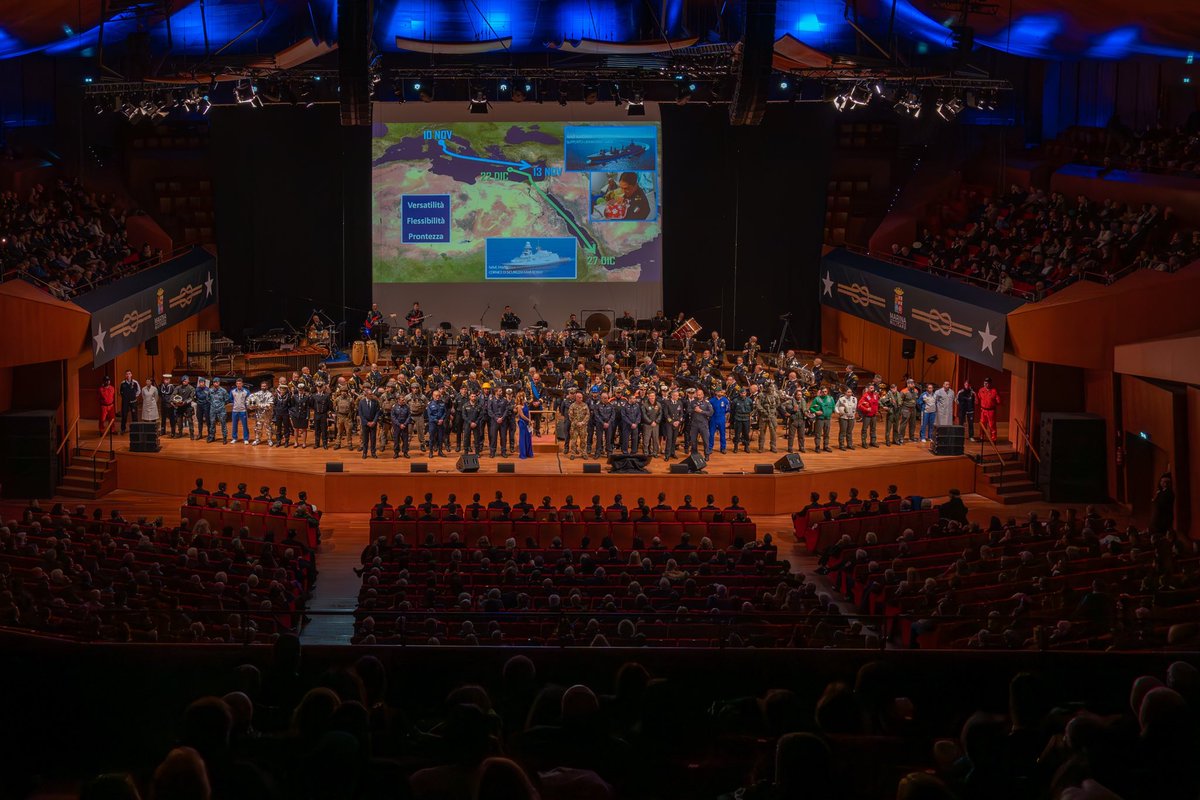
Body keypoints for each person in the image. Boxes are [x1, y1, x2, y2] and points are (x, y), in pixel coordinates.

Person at [687, 389, 713, 457]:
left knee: (705, 440)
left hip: (703, 424)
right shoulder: (693, 402)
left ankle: (707, 454)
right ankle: (694, 454)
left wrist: (701, 411)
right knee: (693, 441)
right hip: (694, 424)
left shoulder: (707, 402)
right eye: (697, 394)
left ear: (703, 395)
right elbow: (688, 410)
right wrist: (694, 410)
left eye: (700, 395)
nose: (698, 396)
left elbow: (711, 413)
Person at [809, 387, 834, 453]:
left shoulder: (830, 398)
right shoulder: (817, 399)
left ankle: (826, 446)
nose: (824, 393)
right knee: (818, 434)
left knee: (827, 434)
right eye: (823, 391)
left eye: (825, 391)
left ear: (827, 392)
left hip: (828, 419)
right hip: (820, 419)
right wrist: (816, 411)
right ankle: (817, 447)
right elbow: (811, 408)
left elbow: (833, 407)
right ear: (820, 392)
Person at [640, 390, 663, 457]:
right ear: (648, 396)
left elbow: (660, 414)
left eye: (653, 396)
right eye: (651, 396)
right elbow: (644, 415)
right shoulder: (644, 405)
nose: (652, 397)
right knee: (646, 440)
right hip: (647, 425)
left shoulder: (658, 404)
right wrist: (650, 422)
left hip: (656, 425)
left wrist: (656, 421)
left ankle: (655, 452)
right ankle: (646, 452)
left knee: (655, 439)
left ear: (655, 396)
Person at [567, 392, 590, 460]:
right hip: (575, 427)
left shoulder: (585, 405)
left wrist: (583, 422)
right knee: (573, 441)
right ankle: (573, 453)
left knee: (583, 440)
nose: (581, 399)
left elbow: (587, 415)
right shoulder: (572, 406)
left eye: (581, 397)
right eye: (579, 397)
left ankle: (583, 453)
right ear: (576, 398)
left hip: (583, 426)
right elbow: (571, 416)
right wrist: (577, 423)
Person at [977, 377, 1001, 441]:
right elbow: (979, 397)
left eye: (987, 383)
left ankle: (993, 439)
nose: (985, 384)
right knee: (982, 424)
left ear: (990, 384)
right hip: (983, 410)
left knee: (992, 425)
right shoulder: (981, 390)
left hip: (991, 411)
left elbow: (998, 401)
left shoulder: (994, 391)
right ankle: (981, 437)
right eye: (984, 383)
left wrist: (995, 402)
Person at [358, 390, 380, 458]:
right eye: (370, 394)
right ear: (366, 395)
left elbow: (377, 412)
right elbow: (360, 414)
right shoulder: (361, 402)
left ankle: (373, 453)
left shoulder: (375, 402)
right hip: (365, 424)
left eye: (372, 394)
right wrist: (366, 422)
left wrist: (374, 421)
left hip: (373, 423)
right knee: (365, 439)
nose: (371, 395)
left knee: (373, 439)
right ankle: (365, 453)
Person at [229, 378, 250, 445]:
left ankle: (246, 439)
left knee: (245, 425)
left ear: (242, 384)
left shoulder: (246, 391)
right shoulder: (232, 391)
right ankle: (234, 438)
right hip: (235, 411)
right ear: (236, 384)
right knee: (234, 425)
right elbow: (231, 399)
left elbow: (248, 400)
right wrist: (236, 404)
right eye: (237, 383)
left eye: (240, 383)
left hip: (243, 410)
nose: (238, 385)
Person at [427, 388, 448, 457]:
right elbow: (429, 415)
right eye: (436, 396)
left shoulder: (442, 403)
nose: (438, 397)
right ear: (433, 396)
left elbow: (445, 412)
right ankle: (431, 452)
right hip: (433, 423)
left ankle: (440, 451)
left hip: (440, 423)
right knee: (431, 438)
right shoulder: (430, 404)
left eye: (439, 395)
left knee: (440, 438)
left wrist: (441, 419)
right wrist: (437, 420)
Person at [708, 388, 730, 455]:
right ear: (716, 392)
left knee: (722, 434)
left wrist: (726, 421)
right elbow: (709, 410)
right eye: (719, 392)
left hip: (721, 419)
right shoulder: (711, 401)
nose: (720, 393)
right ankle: (710, 448)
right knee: (711, 434)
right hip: (713, 419)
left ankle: (723, 448)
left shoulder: (726, 400)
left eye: (721, 392)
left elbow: (728, 411)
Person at [858, 384, 880, 448]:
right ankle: (864, 442)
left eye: (873, 388)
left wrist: (876, 411)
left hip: (874, 415)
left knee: (873, 429)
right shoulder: (865, 396)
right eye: (871, 388)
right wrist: (866, 409)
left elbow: (876, 404)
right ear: (868, 389)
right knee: (864, 429)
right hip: (867, 415)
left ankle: (873, 442)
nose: (872, 389)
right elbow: (859, 405)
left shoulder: (875, 395)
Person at [207, 378, 229, 444]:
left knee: (223, 423)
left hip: (221, 409)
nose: (215, 383)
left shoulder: (223, 391)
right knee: (212, 424)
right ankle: (212, 437)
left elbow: (227, 400)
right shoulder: (210, 390)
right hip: (213, 409)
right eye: (214, 382)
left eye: (217, 382)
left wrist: (221, 405)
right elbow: (208, 399)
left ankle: (224, 438)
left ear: (219, 383)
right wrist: (213, 404)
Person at [516, 391, 533, 459]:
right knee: (523, 438)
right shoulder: (519, 406)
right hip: (522, 423)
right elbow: (522, 415)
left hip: (527, 423)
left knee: (528, 438)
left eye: (523, 396)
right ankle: (523, 454)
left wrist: (530, 421)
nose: (522, 398)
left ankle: (529, 453)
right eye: (521, 396)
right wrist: (529, 420)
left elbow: (529, 412)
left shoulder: (525, 404)